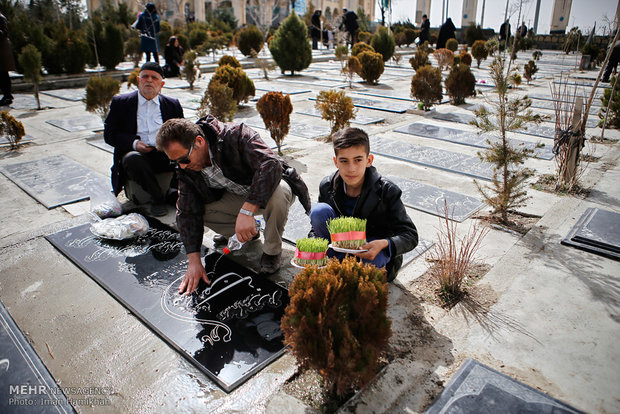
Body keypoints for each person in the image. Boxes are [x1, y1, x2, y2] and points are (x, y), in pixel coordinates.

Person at [156, 117, 311, 294]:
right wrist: (194, 261)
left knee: (279, 193)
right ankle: (248, 234)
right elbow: (186, 212)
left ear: (199, 142)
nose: (182, 166)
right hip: (237, 195)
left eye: (183, 159)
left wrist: (247, 210)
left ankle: (272, 251)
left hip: (269, 188)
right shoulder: (187, 169)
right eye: (176, 162)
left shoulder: (235, 136)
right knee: (202, 212)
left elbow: (271, 165)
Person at [309, 127, 418, 282]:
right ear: (336, 162)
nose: (351, 168)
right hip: (340, 246)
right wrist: (312, 244)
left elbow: (410, 236)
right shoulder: (327, 185)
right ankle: (337, 264)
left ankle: (364, 278)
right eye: (344, 161)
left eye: (358, 160)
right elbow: (316, 228)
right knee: (319, 211)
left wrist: (384, 243)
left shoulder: (387, 191)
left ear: (369, 160)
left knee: (371, 264)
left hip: (373, 252)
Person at [104, 62, 184, 217]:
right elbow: (109, 134)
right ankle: (157, 198)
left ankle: (173, 190)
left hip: (165, 155)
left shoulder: (172, 105)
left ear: (161, 84)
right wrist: (134, 143)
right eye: (145, 76)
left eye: (154, 78)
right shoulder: (121, 103)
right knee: (133, 159)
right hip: (138, 157)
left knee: (187, 151)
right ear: (138, 80)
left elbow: (182, 134)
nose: (149, 80)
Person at [0, 11, 15, 106]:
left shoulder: (1, 18)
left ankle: (8, 96)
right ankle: (7, 95)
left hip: (1, 51)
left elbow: (3, 32)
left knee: (3, 74)